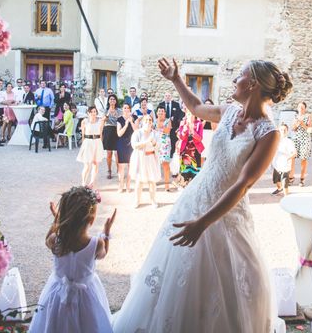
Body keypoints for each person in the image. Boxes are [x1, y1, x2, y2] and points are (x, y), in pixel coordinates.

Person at [113, 58, 292, 333]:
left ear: (253, 84)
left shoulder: (269, 133)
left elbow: (243, 184)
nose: (235, 80)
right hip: (195, 198)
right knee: (179, 276)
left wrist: (203, 223)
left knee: (226, 280)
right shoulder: (230, 111)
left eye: (240, 75)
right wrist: (176, 79)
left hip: (227, 214)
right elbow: (196, 108)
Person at [29, 186, 116, 333]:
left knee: (53, 323)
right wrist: (106, 233)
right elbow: (103, 253)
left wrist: (56, 222)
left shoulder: (54, 240)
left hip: (57, 294)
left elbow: (48, 240)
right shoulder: (96, 244)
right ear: (92, 218)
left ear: (64, 215)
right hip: (87, 295)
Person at [130, 115, 161, 208]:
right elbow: (134, 145)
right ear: (143, 122)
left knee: (152, 181)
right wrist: (146, 142)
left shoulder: (155, 133)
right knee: (139, 181)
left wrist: (154, 142)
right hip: (140, 158)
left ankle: (153, 201)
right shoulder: (137, 133)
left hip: (151, 157)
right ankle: (137, 201)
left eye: (150, 120)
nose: (148, 122)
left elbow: (158, 145)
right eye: (146, 120)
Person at [76, 106, 105, 186]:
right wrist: (83, 146)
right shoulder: (84, 121)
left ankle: (92, 182)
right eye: (91, 112)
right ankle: (83, 182)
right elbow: (83, 135)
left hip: (97, 142)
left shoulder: (100, 121)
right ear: (88, 113)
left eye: (94, 111)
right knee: (87, 165)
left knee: (95, 164)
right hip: (88, 142)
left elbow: (101, 133)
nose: (93, 113)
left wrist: (101, 145)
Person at [177, 109, 204, 185]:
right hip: (185, 151)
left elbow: (200, 138)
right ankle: (184, 188)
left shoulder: (199, 124)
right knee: (185, 172)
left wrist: (192, 130)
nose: (190, 115)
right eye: (188, 113)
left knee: (195, 173)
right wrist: (184, 131)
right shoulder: (183, 123)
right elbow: (181, 137)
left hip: (195, 152)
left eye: (192, 113)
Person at [116, 103, 137, 193]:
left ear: (130, 109)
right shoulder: (119, 119)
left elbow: (136, 130)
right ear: (122, 109)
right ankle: (120, 186)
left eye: (128, 108)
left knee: (130, 165)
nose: (126, 109)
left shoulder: (134, 118)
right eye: (124, 108)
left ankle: (128, 185)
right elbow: (119, 133)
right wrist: (126, 124)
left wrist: (131, 122)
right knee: (121, 166)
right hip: (121, 143)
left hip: (131, 143)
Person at [271, 124, 296, 195]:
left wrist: (287, 159)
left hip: (285, 166)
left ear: (287, 131)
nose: (283, 131)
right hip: (276, 165)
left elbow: (294, 153)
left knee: (285, 184)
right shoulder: (275, 140)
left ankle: (286, 197)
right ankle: (279, 188)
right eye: (281, 129)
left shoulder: (289, 142)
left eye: (285, 130)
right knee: (276, 181)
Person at [292, 102, 312, 186]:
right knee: (292, 157)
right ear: (297, 108)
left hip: (305, 139)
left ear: (305, 108)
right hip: (296, 138)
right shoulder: (295, 116)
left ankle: (302, 179)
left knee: (303, 159)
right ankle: (291, 177)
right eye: (299, 106)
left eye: (302, 107)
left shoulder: (308, 116)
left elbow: (309, 128)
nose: (300, 108)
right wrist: (296, 125)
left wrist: (302, 123)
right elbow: (293, 129)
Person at [102, 94, 121, 179]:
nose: (112, 101)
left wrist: (115, 112)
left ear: (116, 101)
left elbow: (120, 120)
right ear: (108, 101)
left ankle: (119, 170)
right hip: (108, 131)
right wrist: (108, 112)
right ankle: (109, 170)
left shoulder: (119, 110)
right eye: (111, 99)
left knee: (117, 153)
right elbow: (104, 120)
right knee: (109, 153)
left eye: (114, 99)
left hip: (116, 130)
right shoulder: (105, 110)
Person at [155, 106, 173, 192]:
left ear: (165, 113)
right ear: (156, 113)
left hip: (165, 144)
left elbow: (167, 131)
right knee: (154, 164)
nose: (161, 113)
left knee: (165, 164)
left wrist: (159, 126)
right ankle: (154, 183)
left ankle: (167, 185)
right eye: (159, 111)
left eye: (162, 111)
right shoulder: (153, 121)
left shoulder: (168, 121)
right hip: (155, 144)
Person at [201, 98, 218, 165]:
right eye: (206, 104)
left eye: (209, 104)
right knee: (202, 155)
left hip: (211, 135)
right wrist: (205, 118)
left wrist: (210, 117)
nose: (208, 106)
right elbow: (200, 127)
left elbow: (214, 128)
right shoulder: (201, 114)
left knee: (210, 155)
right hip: (203, 135)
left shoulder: (214, 115)